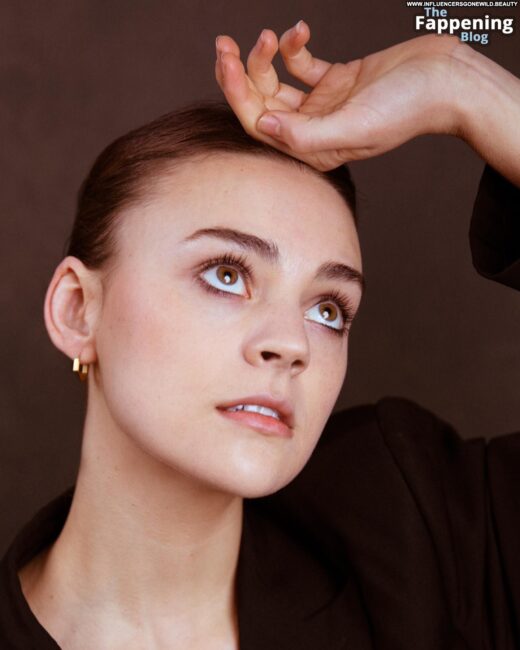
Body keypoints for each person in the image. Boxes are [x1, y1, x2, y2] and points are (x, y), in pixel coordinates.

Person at [0, 22, 518, 650]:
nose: (292, 344)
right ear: (78, 310)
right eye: (226, 274)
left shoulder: (413, 532)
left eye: (328, 309)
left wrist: (461, 85)